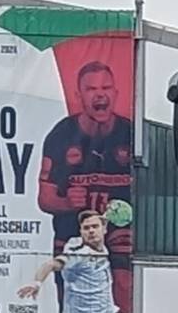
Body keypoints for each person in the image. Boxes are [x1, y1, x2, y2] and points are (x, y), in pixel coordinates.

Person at [39, 60, 137, 248]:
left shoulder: (130, 133)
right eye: (91, 89)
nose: (100, 94)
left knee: (124, 275)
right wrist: (66, 202)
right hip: (73, 229)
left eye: (106, 87)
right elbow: (44, 198)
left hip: (120, 228)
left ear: (115, 94)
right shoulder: (60, 135)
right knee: (72, 273)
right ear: (79, 96)